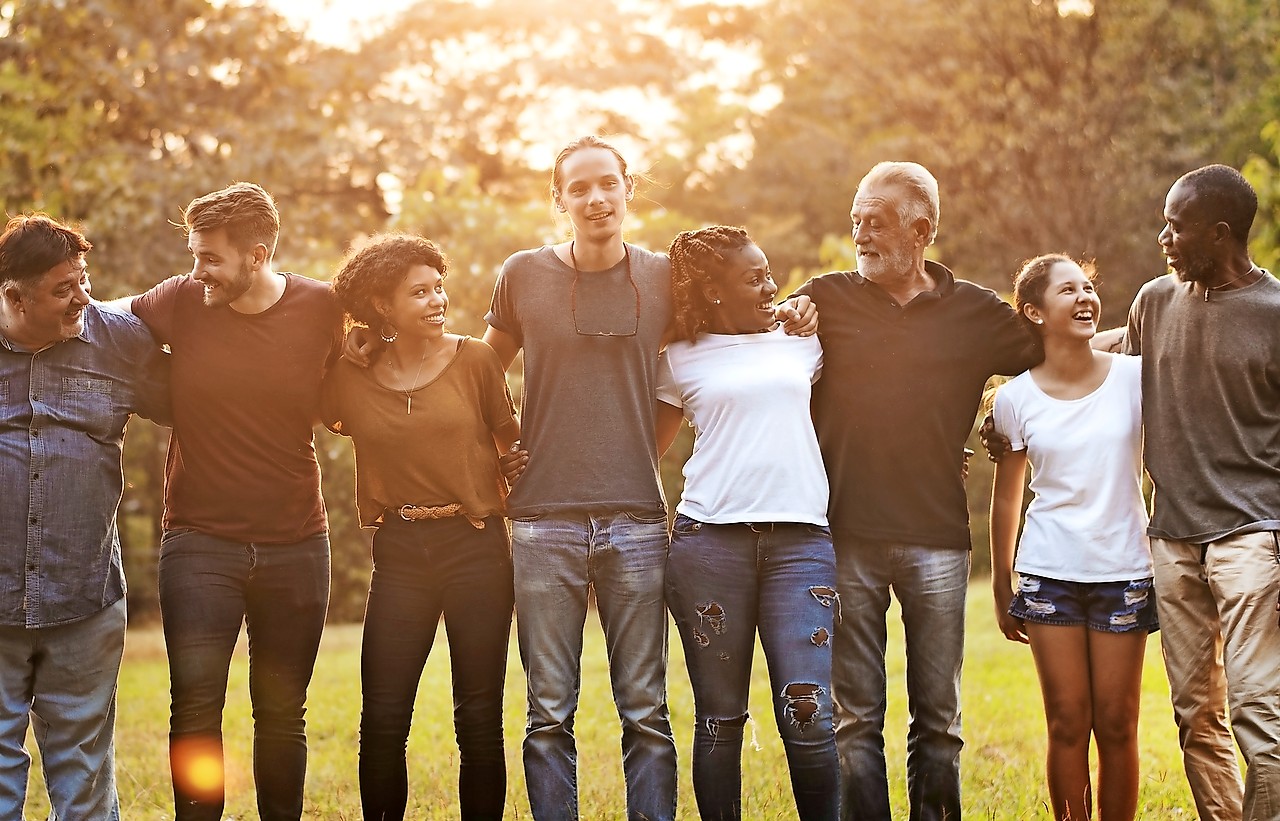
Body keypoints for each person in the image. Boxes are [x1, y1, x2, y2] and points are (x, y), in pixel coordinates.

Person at [792, 161, 1039, 821]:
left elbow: (1061, 357)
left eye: (876, 222)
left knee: (940, 718)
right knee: (855, 716)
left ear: (921, 229)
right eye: (856, 221)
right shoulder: (826, 299)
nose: (861, 234)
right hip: (843, 536)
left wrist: (1148, 341)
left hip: (937, 539)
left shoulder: (976, 312)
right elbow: (762, 356)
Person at [126, 182, 344, 820]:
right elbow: (100, 325)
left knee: (283, 713)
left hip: (297, 543)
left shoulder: (320, 308)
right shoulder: (181, 301)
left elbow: (360, 373)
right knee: (195, 704)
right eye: (194, 256)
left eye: (210, 259)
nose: (198, 273)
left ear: (258, 254)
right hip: (199, 543)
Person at [322, 234, 520, 820]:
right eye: (419, 292)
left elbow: (512, 443)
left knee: (479, 717)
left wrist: (514, 467)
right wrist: (346, 341)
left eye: (439, 287)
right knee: (382, 716)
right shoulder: (350, 376)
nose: (438, 300)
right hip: (401, 551)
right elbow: (296, 365)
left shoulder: (477, 361)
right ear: (382, 306)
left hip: (476, 547)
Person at [655, 225, 839, 821]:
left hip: (802, 544)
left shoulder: (802, 341)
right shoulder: (677, 358)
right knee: (719, 718)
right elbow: (646, 453)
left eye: (769, 273)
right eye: (753, 278)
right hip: (709, 543)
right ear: (712, 292)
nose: (769, 286)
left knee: (808, 714)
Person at [1123, 165, 1280, 821]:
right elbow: (1111, 378)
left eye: (1176, 225)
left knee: (1258, 709)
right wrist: (1009, 405)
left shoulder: (1275, 314)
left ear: (1220, 234)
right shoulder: (1153, 302)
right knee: (1195, 713)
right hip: (1174, 538)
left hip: (1252, 535)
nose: (1164, 236)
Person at [0, 215, 169, 818]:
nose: (81, 298)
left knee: (84, 769)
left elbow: (205, 396)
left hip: (84, 595)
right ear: (14, 296)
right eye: (61, 289)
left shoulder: (119, 341)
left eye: (83, 280)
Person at [988, 254, 1155, 821]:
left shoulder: (1134, 378)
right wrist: (1000, 583)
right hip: (1048, 573)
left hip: (1124, 571)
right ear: (1034, 311)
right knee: (1065, 721)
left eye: (1089, 287)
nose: (1085, 297)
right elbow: (1007, 495)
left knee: (1115, 723)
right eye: (1068, 291)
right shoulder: (1014, 399)